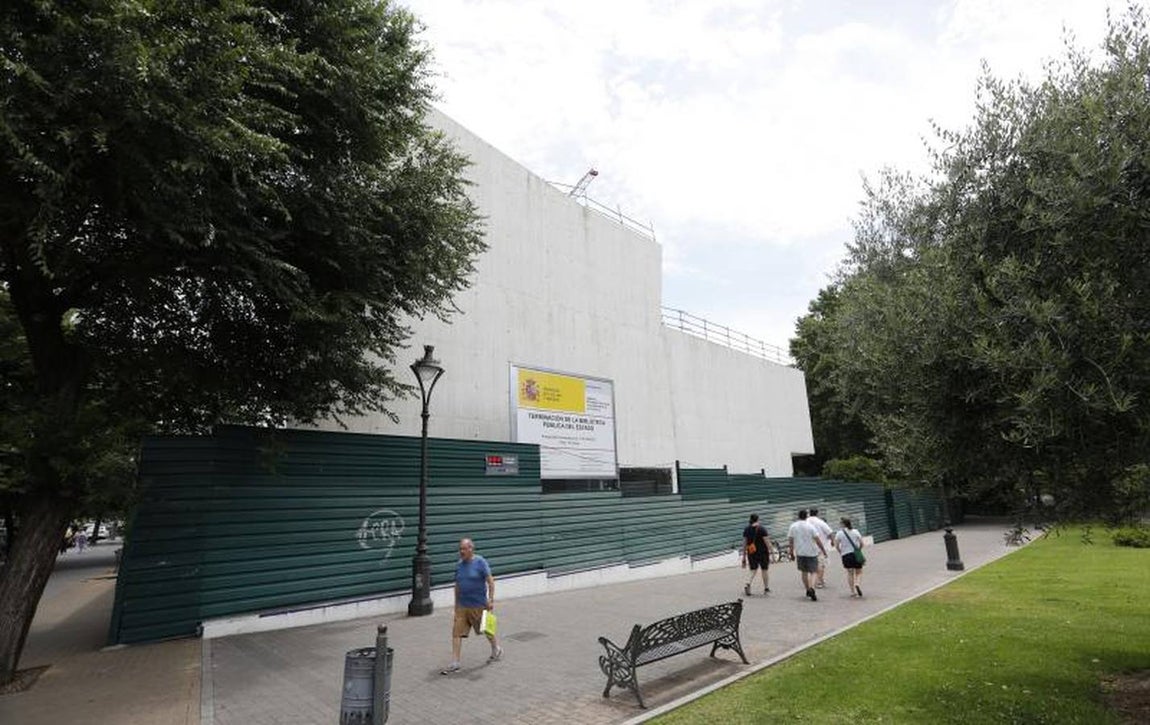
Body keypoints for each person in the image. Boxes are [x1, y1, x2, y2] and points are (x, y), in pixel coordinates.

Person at [442, 537, 503, 674]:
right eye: (460, 549)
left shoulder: (480, 562)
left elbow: (490, 582)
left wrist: (491, 599)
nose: (461, 552)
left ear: (471, 549)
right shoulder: (459, 565)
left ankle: (496, 648)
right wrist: (456, 604)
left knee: (486, 630)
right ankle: (455, 662)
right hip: (463, 605)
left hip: (478, 605)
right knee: (456, 633)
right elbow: (457, 585)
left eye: (464, 549)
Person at [787, 509, 826, 601]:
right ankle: (812, 587)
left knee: (804, 572)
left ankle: (807, 589)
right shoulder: (810, 527)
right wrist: (823, 550)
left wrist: (791, 552)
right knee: (814, 571)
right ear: (806, 516)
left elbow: (791, 541)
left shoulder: (793, 526)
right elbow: (817, 539)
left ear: (798, 516)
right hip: (812, 552)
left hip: (800, 552)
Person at [740, 513, 771, 596]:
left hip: (751, 552)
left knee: (753, 570)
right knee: (764, 570)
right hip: (763, 553)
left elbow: (744, 544)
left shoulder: (746, 529)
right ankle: (766, 588)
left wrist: (743, 557)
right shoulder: (762, 529)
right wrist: (773, 553)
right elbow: (767, 542)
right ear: (758, 519)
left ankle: (748, 583)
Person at [835, 518, 866, 597]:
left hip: (846, 555)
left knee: (850, 573)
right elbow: (862, 543)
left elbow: (837, 545)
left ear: (843, 524)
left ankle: (853, 591)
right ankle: (857, 584)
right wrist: (858, 550)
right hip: (855, 554)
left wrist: (840, 552)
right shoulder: (855, 531)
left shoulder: (839, 533)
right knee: (859, 572)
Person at [807, 508, 834, 589]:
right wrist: (832, 541)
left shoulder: (805, 522)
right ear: (817, 513)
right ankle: (819, 582)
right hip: (821, 547)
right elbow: (830, 532)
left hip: (808, 547)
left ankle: (816, 581)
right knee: (821, 565)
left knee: (812, 565)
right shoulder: (820, 522)